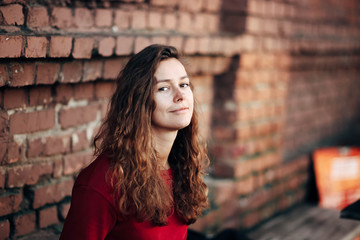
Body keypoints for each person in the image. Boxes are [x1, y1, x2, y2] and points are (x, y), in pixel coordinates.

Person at [60, 44, 209, 240]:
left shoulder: (182, 163)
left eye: (184, 84)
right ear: (139, 101)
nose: (180, 96)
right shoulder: (104, 183)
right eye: (163, 88)